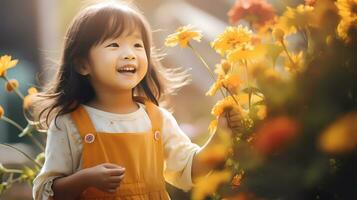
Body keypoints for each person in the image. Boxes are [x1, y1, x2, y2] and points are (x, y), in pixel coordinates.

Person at [32, 1, 241, 199]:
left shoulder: (157, 119)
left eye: (137, 45)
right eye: (114, 44)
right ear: (83, 65)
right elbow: (45, 192)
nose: (129, 54)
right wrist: (86, 179)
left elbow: (191, 169)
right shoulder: (69, 124)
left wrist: (220, 135)